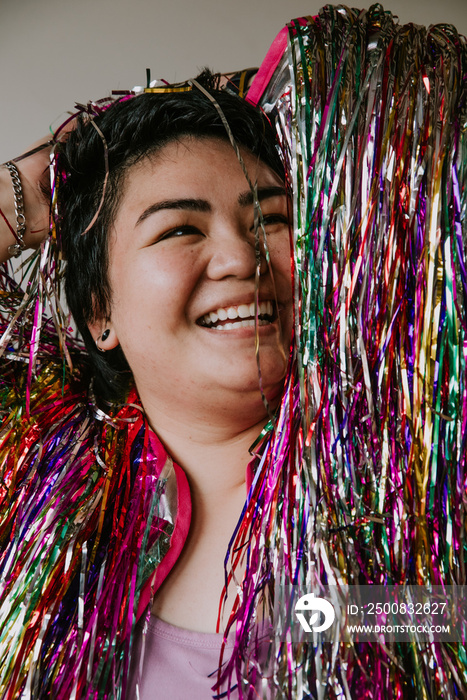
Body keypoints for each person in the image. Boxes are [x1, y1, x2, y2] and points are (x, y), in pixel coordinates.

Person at [0, 5, 466, 699]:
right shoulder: (34, 477)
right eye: (178, 230)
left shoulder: (405, 471)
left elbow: (425, 630)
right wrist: (21, 199)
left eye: (271, 220)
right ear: (100, 312)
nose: (238, 258)